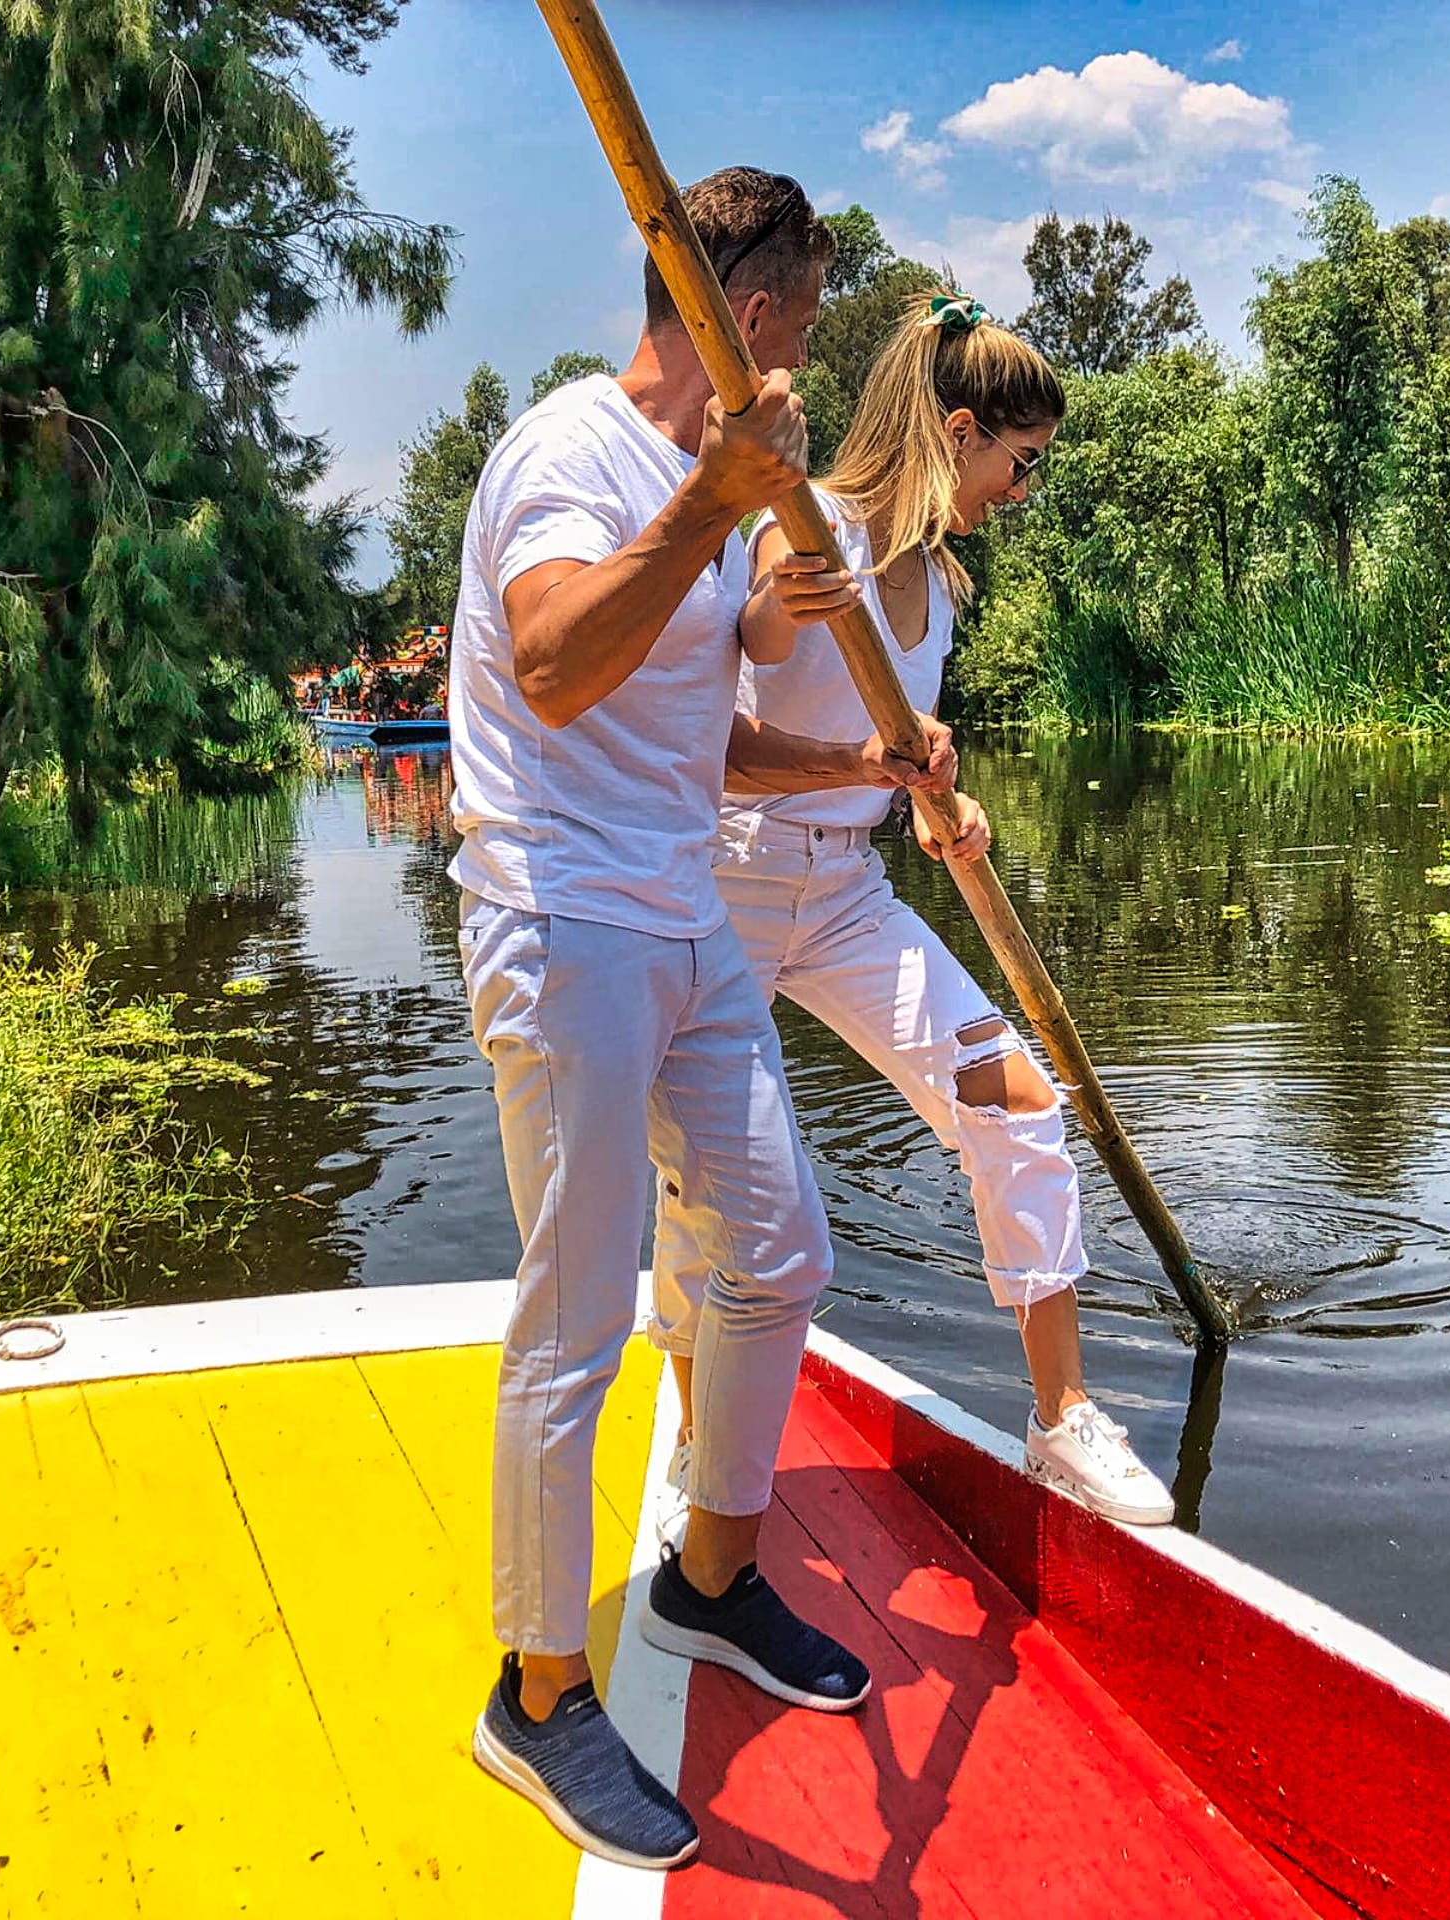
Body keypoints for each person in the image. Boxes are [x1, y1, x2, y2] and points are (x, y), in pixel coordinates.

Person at [449, 168, 958, 1871]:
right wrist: (712, 507)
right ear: (751, 318)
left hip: (683, 918)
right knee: (578, 1315)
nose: (813, 352)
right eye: (807, 318)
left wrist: (853, 748)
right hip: (563, 923)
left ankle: (710, 1579)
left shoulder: (722, 502)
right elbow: (554, 669)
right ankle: (534, 1697)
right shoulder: (571, 454)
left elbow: (701, 740)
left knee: (779, 1246)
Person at [650, 291, 1176, 1540]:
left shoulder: (940, 584)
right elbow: (727, 735)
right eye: (1021, 461)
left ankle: (1062, 1423)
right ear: (957, 430)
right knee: (701, 1196)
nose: (1023, 488)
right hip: (720, 890)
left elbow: (891, 752)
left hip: (844, 898)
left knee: (1019, 1103)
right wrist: (801, 605)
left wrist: (949, 802)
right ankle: (691, 1432)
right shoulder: (801, 529)